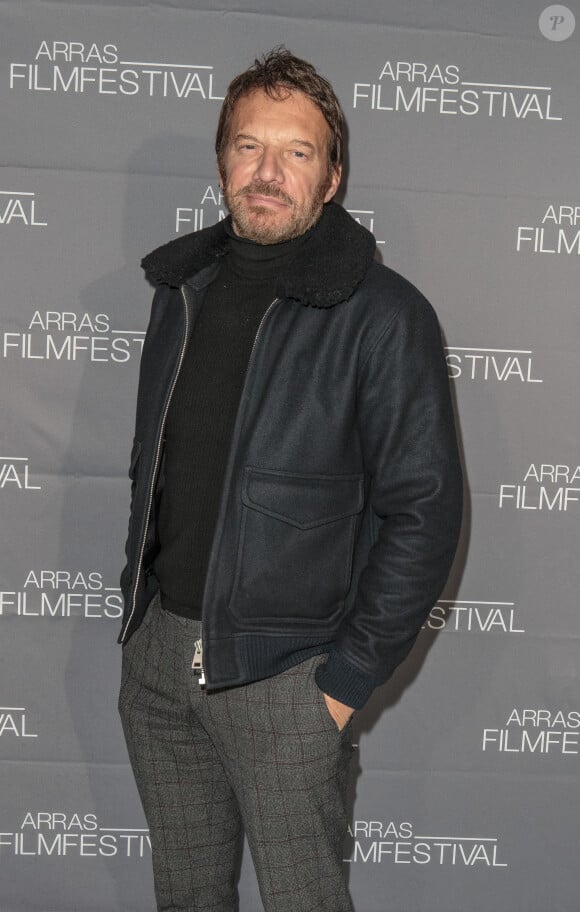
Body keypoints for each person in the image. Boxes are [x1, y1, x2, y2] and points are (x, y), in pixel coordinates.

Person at [118, 47, 463, 912]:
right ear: (223, 160)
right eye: (248, 146)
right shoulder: (180, 290)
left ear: (332, 176)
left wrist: (344, 685)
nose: (267, 172)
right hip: (160, 661)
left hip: (287, 678)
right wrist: (141, 626)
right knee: (186, 896)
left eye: (297, 152)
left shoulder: (385, 316)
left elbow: (423, 512)